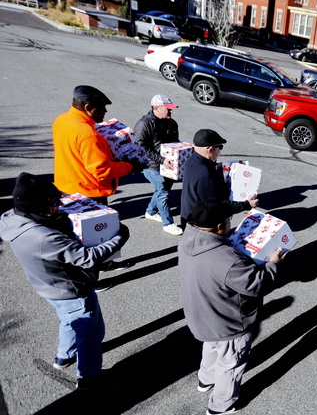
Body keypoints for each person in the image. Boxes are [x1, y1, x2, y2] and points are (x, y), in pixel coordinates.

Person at [0, 172, 130, 390]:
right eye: (53, 202)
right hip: (71, 289)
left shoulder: (11, 219)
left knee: (68, 319)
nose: (58, 205)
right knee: (89, 333)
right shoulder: (44, 237)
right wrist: (119, 237)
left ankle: (64, 356)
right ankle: (89, 378)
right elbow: (87, 258)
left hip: (47, 287)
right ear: (38, 206)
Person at [178, 200, 283, 415]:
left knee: (211, 347)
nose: (230, 225)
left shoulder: (189, 238)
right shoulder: (227, 261)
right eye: (228, 221)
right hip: (228, 322)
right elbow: (258, 285)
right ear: (218, 227)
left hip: (202, 315)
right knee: (231, 362)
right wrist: (273, 263)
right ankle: (221, 404)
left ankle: (205, 380)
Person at [52, 85, 140, 205]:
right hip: (89, 195)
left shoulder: (61, 120)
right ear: (87, 107)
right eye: (102, 107)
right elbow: (102, 170)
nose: (105, 111)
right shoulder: (88, 134)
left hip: (66, 188)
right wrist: (129, 167)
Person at [179, 129, 257, 229]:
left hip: (189, 216)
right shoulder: (204, 173)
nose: (220, 150)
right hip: (200, 224)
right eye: (220, 147)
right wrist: (246, 204)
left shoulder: (192, 161)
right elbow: (217, 206)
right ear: (210, 150)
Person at [134, 94, 183, 236]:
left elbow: (175, 142)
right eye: (168, 109)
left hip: (169, 165)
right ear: (156, 108)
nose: (171, 111)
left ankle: (150, 212)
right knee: (163, 191)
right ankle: (168, 223)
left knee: (163, 189)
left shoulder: (172, 123)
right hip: (151, 165)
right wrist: (161, 160)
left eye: (172, 109)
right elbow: (141, 148)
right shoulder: (144, 124)